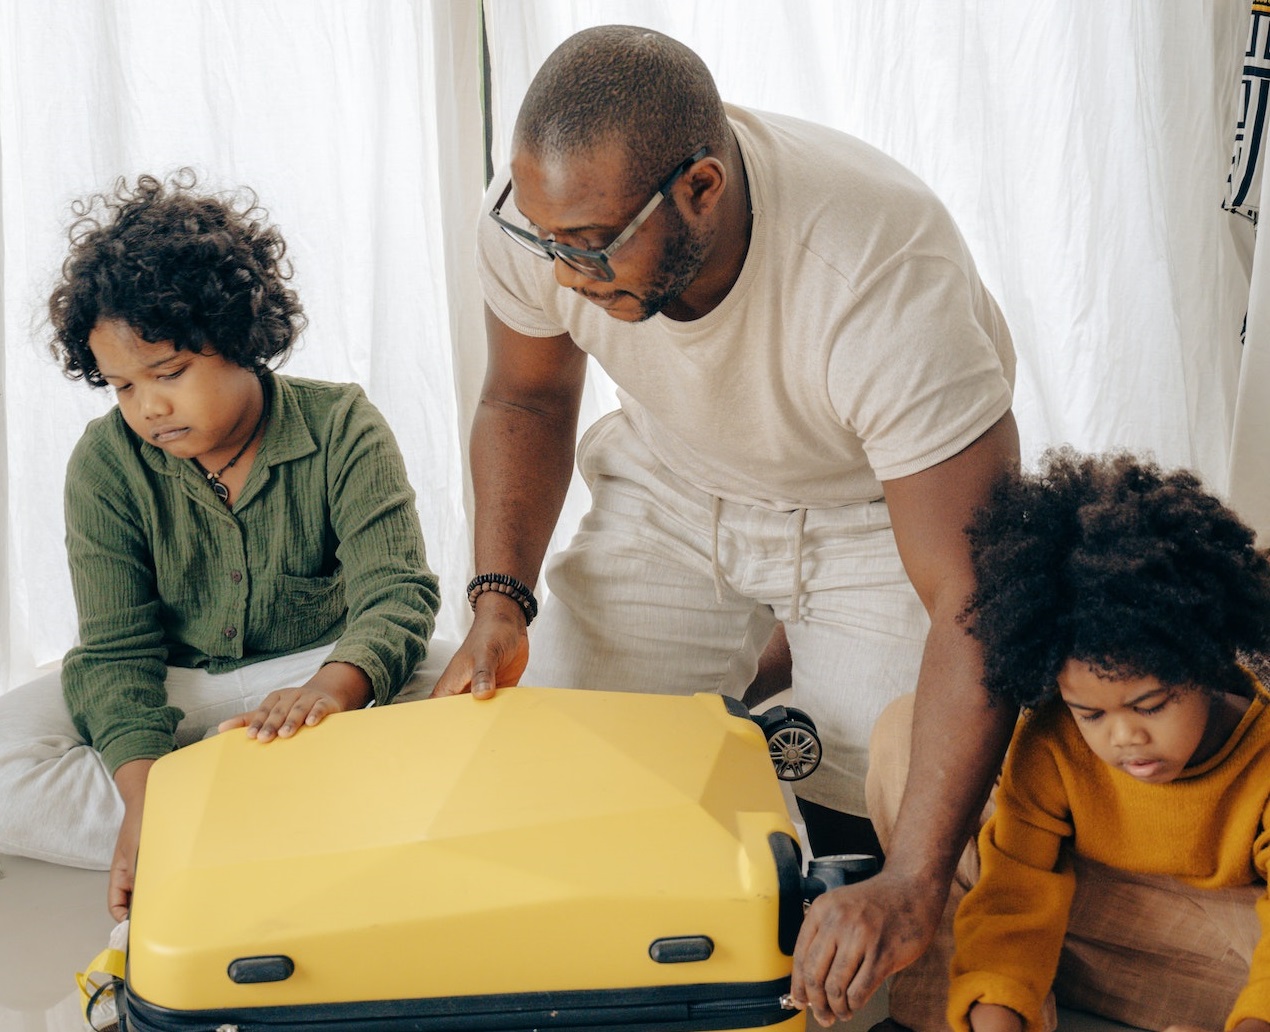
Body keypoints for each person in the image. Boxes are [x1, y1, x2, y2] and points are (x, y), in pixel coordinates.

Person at [430, 24, 1021, 1023]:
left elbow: (975, 596)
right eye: (547, 242)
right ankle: (763, 683)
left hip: (870, 515)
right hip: (671, 481)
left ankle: (783, 687)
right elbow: (525, 398)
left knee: (893, 812)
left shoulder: (881, 273)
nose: (565, 273)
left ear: (700, 188)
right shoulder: (547, 213)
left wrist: (912, 882)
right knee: (561, 774)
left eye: (591, 247)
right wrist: (499, 599)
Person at [0, 170, 444, 923]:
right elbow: (115, 653)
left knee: (464, 692)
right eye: (121, 386)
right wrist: (146, 801)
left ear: (241, 338)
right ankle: (228, 810)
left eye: (169, 373)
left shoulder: (343, 425)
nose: (149, 407)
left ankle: (225, 804)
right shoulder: (105, 463)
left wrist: (331, 691)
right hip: (180, 686)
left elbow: (396, 597)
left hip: (319, 670)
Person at [875, 449, 1270, 1031]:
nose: (1125, 737)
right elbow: (1015, 895)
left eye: (1150, 706)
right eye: (1090, 713)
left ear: (1206, 662)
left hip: (1226, 949)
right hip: (1091, 922)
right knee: (905, 736)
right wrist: (998, 1012)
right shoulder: (1055, 744)